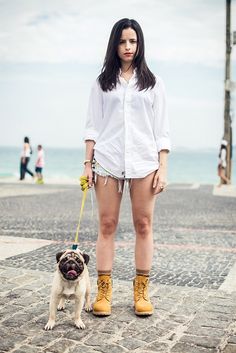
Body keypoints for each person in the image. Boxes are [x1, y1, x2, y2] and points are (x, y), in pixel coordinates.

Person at [83, 18, 171, 317]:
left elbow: (162, 130)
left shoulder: (153, 83)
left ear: (140, 43)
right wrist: (87, 164)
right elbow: (93, 126)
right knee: (107, 225)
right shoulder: (102, 83)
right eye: (122, 41)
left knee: (143, 225)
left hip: (145, 163)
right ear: (114, 44)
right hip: (107, 161)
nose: (128, 47)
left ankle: (141, 291)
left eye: (132, 41)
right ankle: (104, 292)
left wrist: (162, 166)